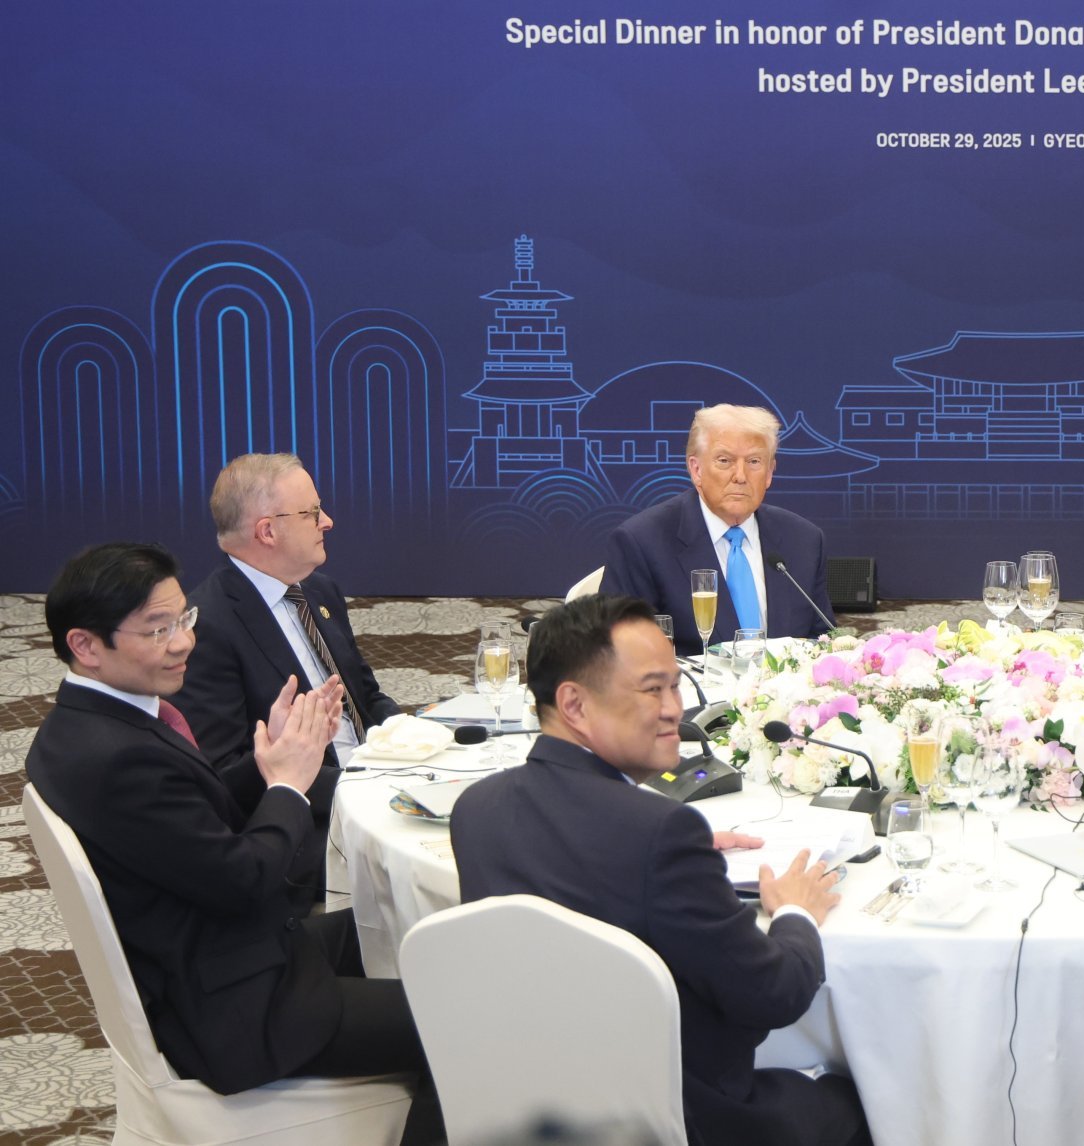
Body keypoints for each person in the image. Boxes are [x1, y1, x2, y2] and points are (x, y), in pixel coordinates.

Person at [25, 543, 438, 1140]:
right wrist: (289, 788)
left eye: (183, 619)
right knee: (469, 1024)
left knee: (407, 915)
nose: (182, 641)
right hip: (239, 1009)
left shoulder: (83, 726)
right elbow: (245, 881)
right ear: (85, 646)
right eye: (157, 629)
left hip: (219, 956)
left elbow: (187, 815)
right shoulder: (117, 759)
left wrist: (267, 758)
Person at [451, 594, 869, 1146]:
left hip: (522, 1105)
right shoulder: (658, 833)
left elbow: (583, 863)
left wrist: (674, 865)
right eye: (653, 689)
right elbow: (773, 994)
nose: (676, 709)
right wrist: (796, 911)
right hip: (674, 1116)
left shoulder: (476, 809)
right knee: (870, 1098)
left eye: (676, 685)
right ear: (573, 705)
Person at [177, 453, 402, 778]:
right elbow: (227, 770)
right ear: (267, 532)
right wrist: (356, 788)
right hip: (314, 806)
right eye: (312, 513)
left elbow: (364, 696)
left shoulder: (321, 591)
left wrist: (410, 733)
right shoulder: (207, 627)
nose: (327, 521)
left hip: (378, 773)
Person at [602, 404, 833, 658]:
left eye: (754, 461)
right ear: (696, 469)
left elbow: (821, 642)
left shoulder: (804, 540)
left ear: (769, 473)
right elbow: (619, 656)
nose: (740, 476)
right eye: (725, 461)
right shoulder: (642, 543)